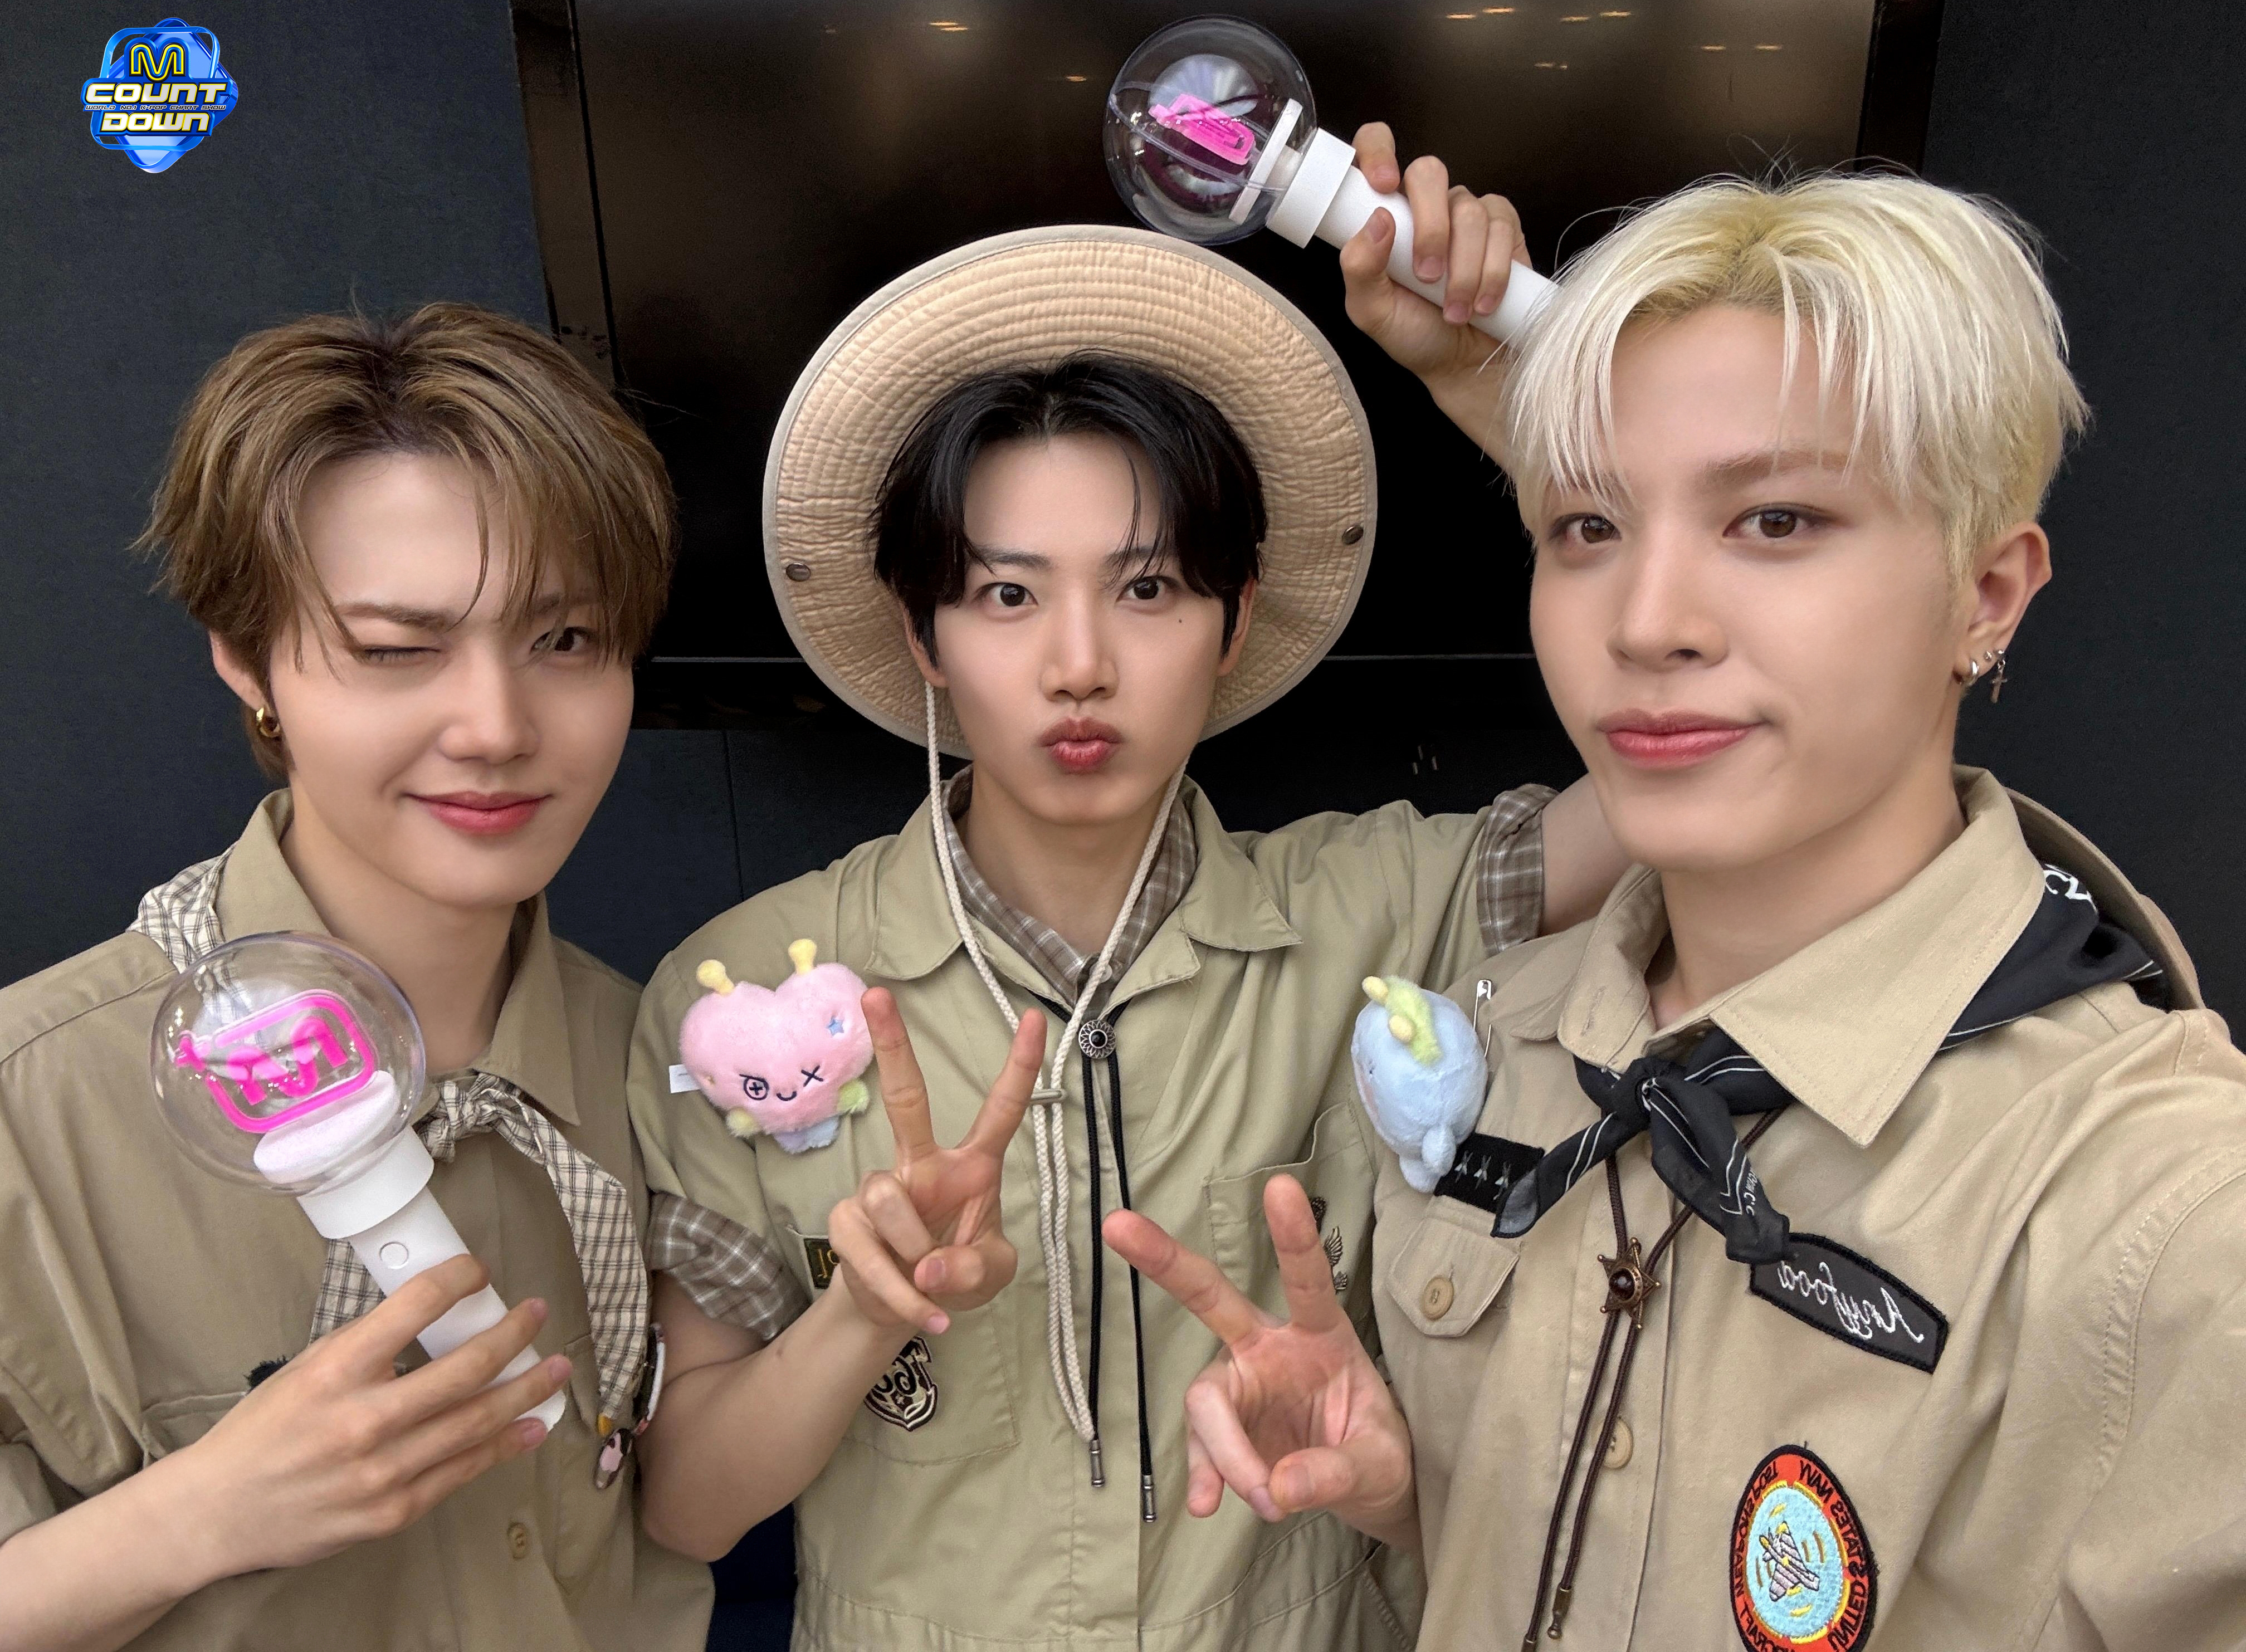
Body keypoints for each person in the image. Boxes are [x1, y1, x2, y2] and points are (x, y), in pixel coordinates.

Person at [1105, 166, 2246, 1651]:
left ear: (1987, 594)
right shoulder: (1495, 1045)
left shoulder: (2170, 1211)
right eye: (1586, 527)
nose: (1645, 624)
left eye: (1774, 520)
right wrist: (1418, 1501)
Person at [621, 210, 1626, 1650]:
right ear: (922, 634)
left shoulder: (1383, 909)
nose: (1079, 663)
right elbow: (686, 1510)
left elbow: (1682, 781)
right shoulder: (740, 1001)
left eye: (1147, 588)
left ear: (1235, 620)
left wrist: (1518, 402)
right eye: (1006, 594)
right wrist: (863, 1312)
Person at [0, 304, 711, 1651]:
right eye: (395, 649)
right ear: (245, 656)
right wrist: (194, 1515)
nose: (496, 727)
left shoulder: (665, 1060)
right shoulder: (29, 1108)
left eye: (566, 640)